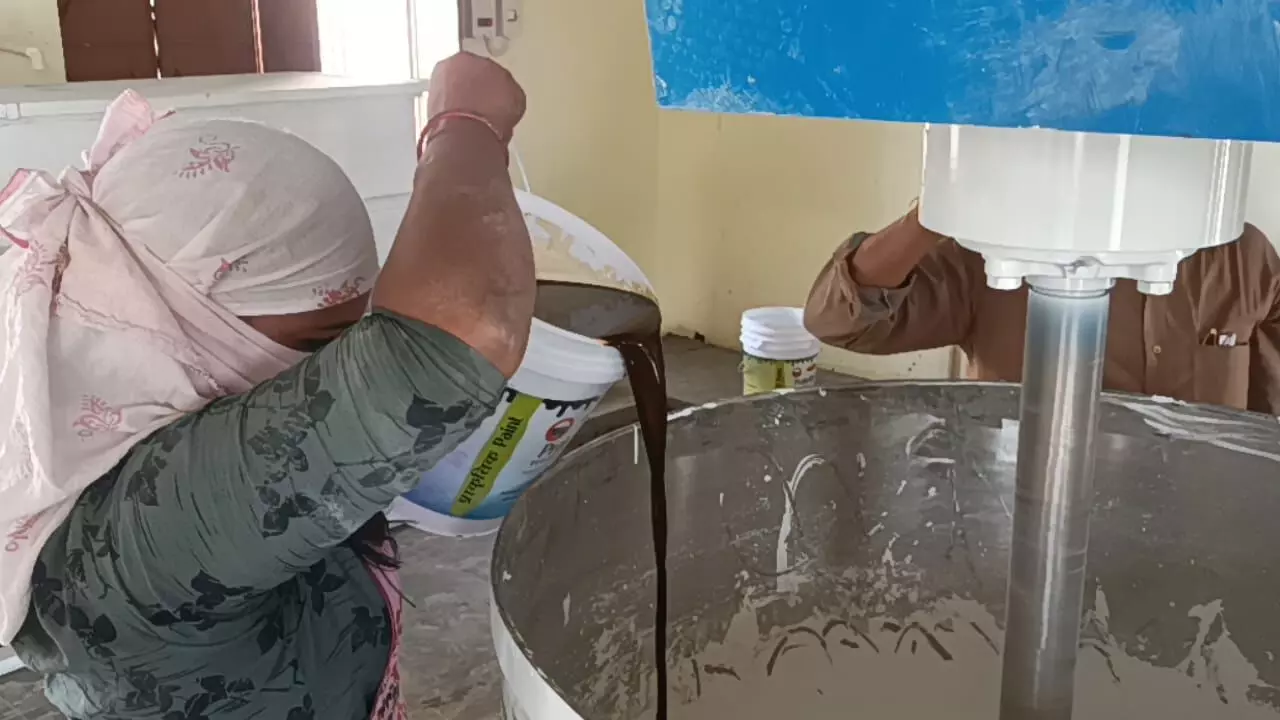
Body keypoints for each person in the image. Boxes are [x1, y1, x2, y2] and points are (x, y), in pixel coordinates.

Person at [0, 52, 531, 719]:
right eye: (316, 345)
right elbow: (451, 340)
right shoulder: (129, 544)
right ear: (181, 319)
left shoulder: (111, 405)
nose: (333, 372)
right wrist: (464, 121)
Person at [804, 206, 1280, 414]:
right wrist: (938, 209)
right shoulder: (991, 250)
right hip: (1021, 530)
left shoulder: (1240, 254)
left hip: (1193, 562)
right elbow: (838, 321)